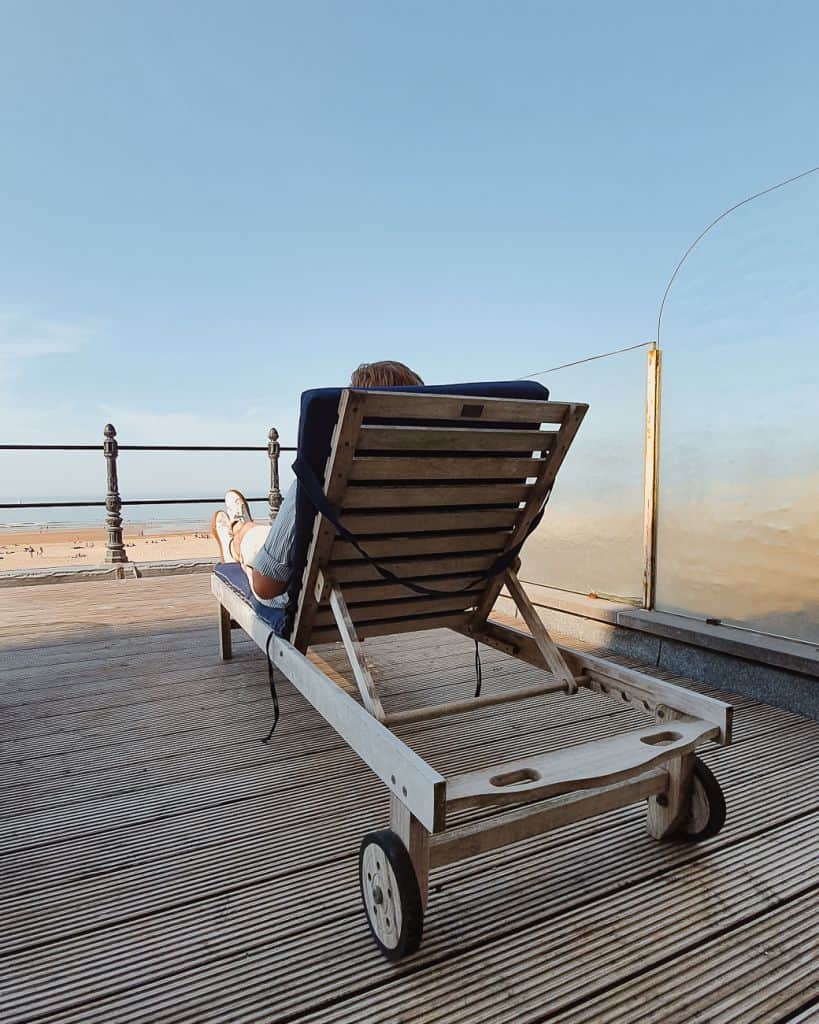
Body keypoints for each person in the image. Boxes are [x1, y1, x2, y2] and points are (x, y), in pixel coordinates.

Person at [211, 360, 424, 609]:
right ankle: (243, 528)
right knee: (270, 537)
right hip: (405, 593)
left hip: (322, 601)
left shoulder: (322, 475)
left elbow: (265, 586)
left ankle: (235, 538)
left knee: (255, 545)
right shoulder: (444, 481)